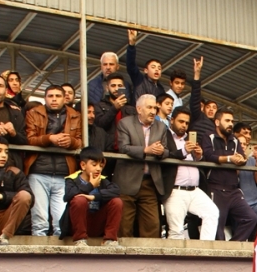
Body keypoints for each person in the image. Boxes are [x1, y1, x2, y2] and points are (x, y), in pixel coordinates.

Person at [24, 85, 83, 238]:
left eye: (58, 96)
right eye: (50, 96)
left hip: (64, 172)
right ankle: (38, 258)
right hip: (39, 170)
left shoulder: (76, 115)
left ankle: (60, 259)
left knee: (60, 222)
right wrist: (49, 138)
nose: (54, 99)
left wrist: (70, 141)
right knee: (39, 221)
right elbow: (28, 140)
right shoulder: (33, 113)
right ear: (45, 98)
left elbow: (81, 142)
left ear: (65, 98)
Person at [115, 93, 170, 239]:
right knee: (124, 224)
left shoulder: (161, 127)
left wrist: (161, 152)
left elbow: (166, 151)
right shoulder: (124, 123)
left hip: (150, 182)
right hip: (127, 181)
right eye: (149, 107)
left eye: (154, 108)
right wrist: (146, 150)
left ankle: (150, 260)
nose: (153, 111)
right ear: (139, 109)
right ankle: (121, 259)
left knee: (152, 224)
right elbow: (123, 147)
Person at [200, 109, 257, 242]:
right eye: (227, 121)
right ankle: (219, 258)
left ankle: (233, 246)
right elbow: (208, 156)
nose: (230, 124)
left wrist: (242, 160)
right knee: (218, 226)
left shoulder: (235, 140)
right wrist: (229, 159)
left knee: (251, 218)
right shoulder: (208, 136)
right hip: (216, 188)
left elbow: (241, 157)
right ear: (217, 122)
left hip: (233, 189)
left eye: (232, 121)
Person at [163, 108, 218, 240]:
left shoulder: (190, 138)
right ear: (172, 120)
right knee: (176, 230)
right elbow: (162, 155)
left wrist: (199, 156)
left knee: (212, 213)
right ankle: (175, 260)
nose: (184, 125)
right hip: (175, 189)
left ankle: (205, 253)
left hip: (194, 189)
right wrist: (183, 151)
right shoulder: (164, 135)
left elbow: (200, 162)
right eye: (181, 121)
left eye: (187, 123)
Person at [58, 147, 122, 247]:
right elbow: (68, 196)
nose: (98, 168)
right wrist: (90, 186)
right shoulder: (72, 179)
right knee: (79, 200)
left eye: (100, 165)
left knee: (116, 201)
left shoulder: (102, 180)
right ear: (83, 165)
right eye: (94, 165)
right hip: (78, 225)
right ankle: (80, 240)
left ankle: (109, 240)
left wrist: (94, 197)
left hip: (96, 223)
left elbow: (116, 191)